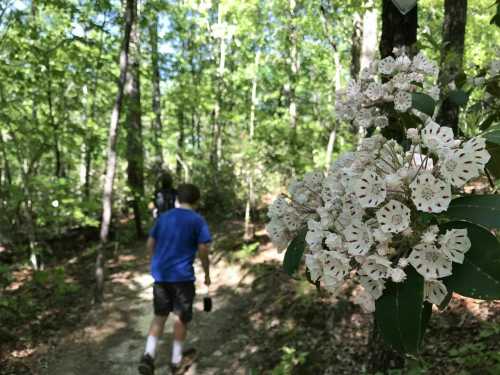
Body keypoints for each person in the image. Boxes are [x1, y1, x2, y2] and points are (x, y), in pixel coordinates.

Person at [139, 183, 212, 375]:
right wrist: (206, 272)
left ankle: (148, 356)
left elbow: (150, 243)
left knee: (160, 316)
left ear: (177, 199)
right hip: (182, 278)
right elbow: (204, 249)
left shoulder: (164, 217)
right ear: (197, 201)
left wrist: (154, 263)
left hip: (161, 276)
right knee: (180, 318)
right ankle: (176, 360)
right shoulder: (197, 220)